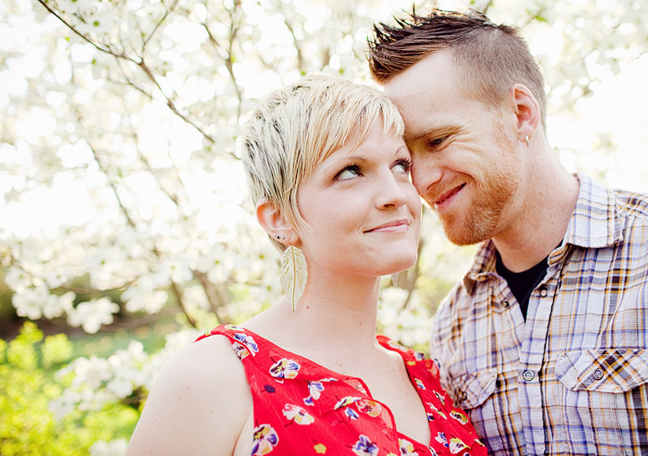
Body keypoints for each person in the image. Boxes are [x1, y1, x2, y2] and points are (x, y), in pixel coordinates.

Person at [367, 9, 648, 455]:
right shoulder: (454, 324)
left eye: (437, 141)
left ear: (521, 113)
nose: (420, 182)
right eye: (406, 160)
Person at [126, 74, 487, 456]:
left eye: (400, 165)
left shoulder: (430, 378)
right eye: (350, 171)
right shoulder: (212, 377)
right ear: (279, 218)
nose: (396, 194)